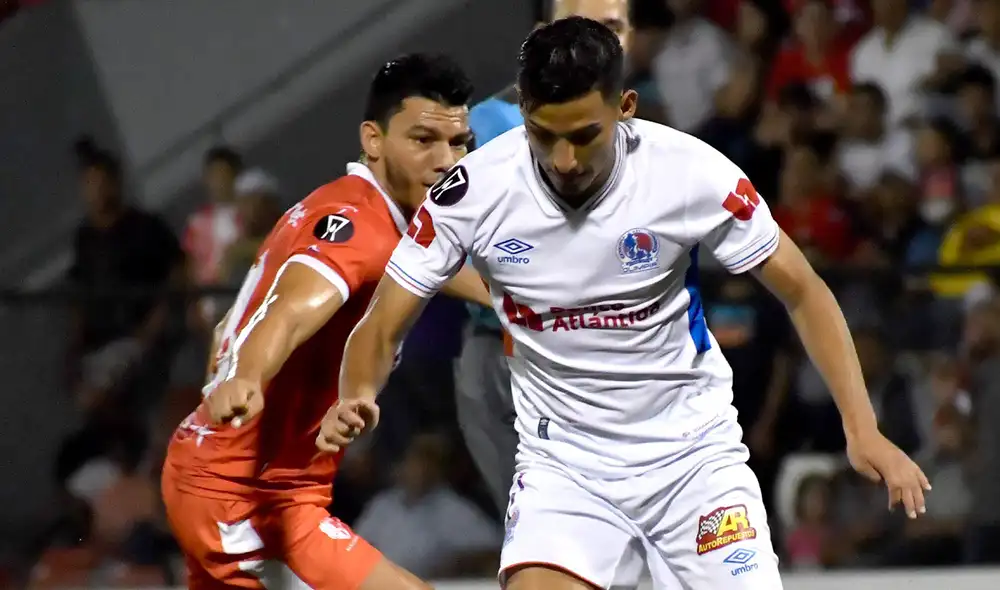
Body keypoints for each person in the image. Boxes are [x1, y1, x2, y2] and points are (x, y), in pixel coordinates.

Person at [327, 18, 932, 590]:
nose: (563, 161)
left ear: (626, 109)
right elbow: (381, 324)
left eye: (584, 136)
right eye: (543, 135)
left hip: (692, 459)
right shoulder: (471, 191)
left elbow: (804, 290)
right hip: (563, 468)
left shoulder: (691, 174)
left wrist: (864, 429)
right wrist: (356, 391)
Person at [160, 53, 489, 590]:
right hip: (235, 488)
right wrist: (247, 375)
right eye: (423, 140)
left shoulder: (383, 219)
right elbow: (288, 312)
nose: (446, 160)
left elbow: (461, 276)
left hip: (279, 490)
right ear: (374, 139)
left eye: (458, 143)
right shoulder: (356, 228)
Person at [459, 0, 632, 517]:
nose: (604, 40)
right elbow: (443, 243)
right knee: (536, 523)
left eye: (615, 28)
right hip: (506, 350)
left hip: (612, 351)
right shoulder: (487, 125)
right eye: (585, 27)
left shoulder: (645, 128)